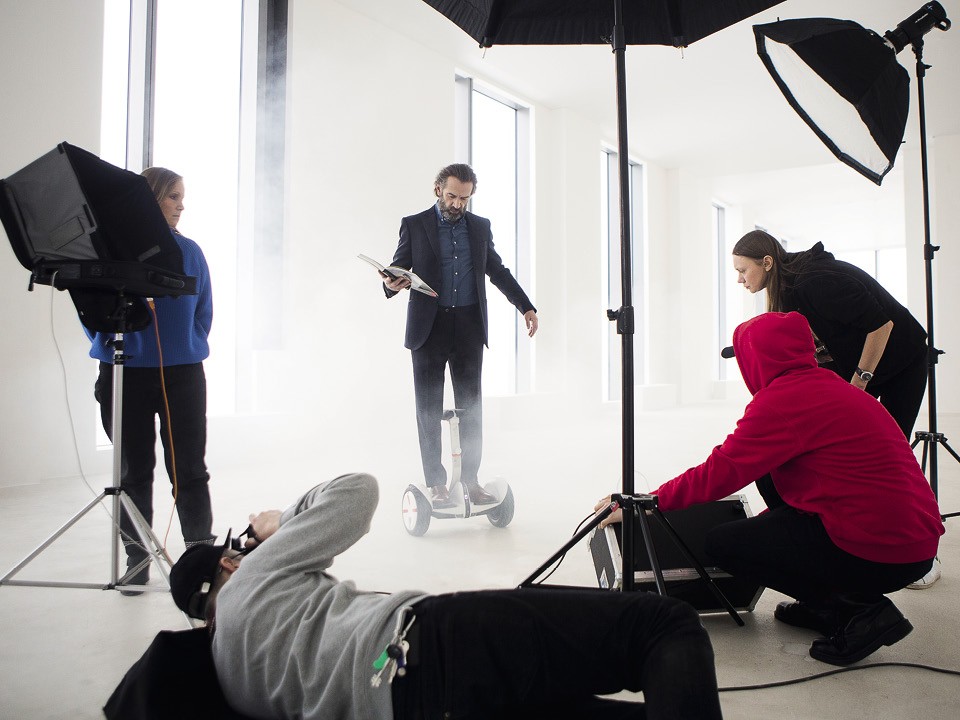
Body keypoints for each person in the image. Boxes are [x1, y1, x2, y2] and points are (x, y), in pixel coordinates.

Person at [169, 472, 724, 720]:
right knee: (664, 626)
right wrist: (279, 522)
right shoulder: (252, 572)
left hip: (413, 709)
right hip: (430, 646)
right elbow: (357, 492)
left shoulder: (230, 676)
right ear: (229, 562)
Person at [598, 312, 943, 666]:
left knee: (726, 545)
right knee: (767, 475)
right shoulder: (830, 386)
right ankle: (823, 606)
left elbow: (720, 472)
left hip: (882, 550)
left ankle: (862, 611)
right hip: (915, 543)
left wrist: (648, 502)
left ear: (758, 359)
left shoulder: (783, 401)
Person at [381, 163, 538, 509]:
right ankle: (436, 484)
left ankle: (470, 480)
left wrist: (525, 306)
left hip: (468, 327)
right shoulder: (414, 224)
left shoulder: (480, 227)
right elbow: (398, 268)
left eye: (464, 199)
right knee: (427, 410)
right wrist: (392, 284)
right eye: (452, 196)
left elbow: (498, 271)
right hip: (428, 330)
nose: (457, 204)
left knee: (472, 408)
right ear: (438, 189)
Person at [89, 167, 215, 593]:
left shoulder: (190, 251)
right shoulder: (111, 252)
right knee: (133, 473)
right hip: (124, 373)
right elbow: (91, 311)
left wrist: (187, 346)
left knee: (189, 470)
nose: (182, 205)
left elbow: (204, 310)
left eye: (182, 196)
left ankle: (200, 561)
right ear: (150, 199)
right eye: (173, 196)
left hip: (183, 376)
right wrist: (111, 344)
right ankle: (136, 560)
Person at [731, 229, 928, 440]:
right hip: (861, 359)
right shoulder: (787, 288)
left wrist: (859, 382)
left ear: (767, 262)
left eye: (743, 270)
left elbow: (882, 326)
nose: (739, 279)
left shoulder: (815, 281)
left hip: (903, 357)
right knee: (841, 434)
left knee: (891, 442)